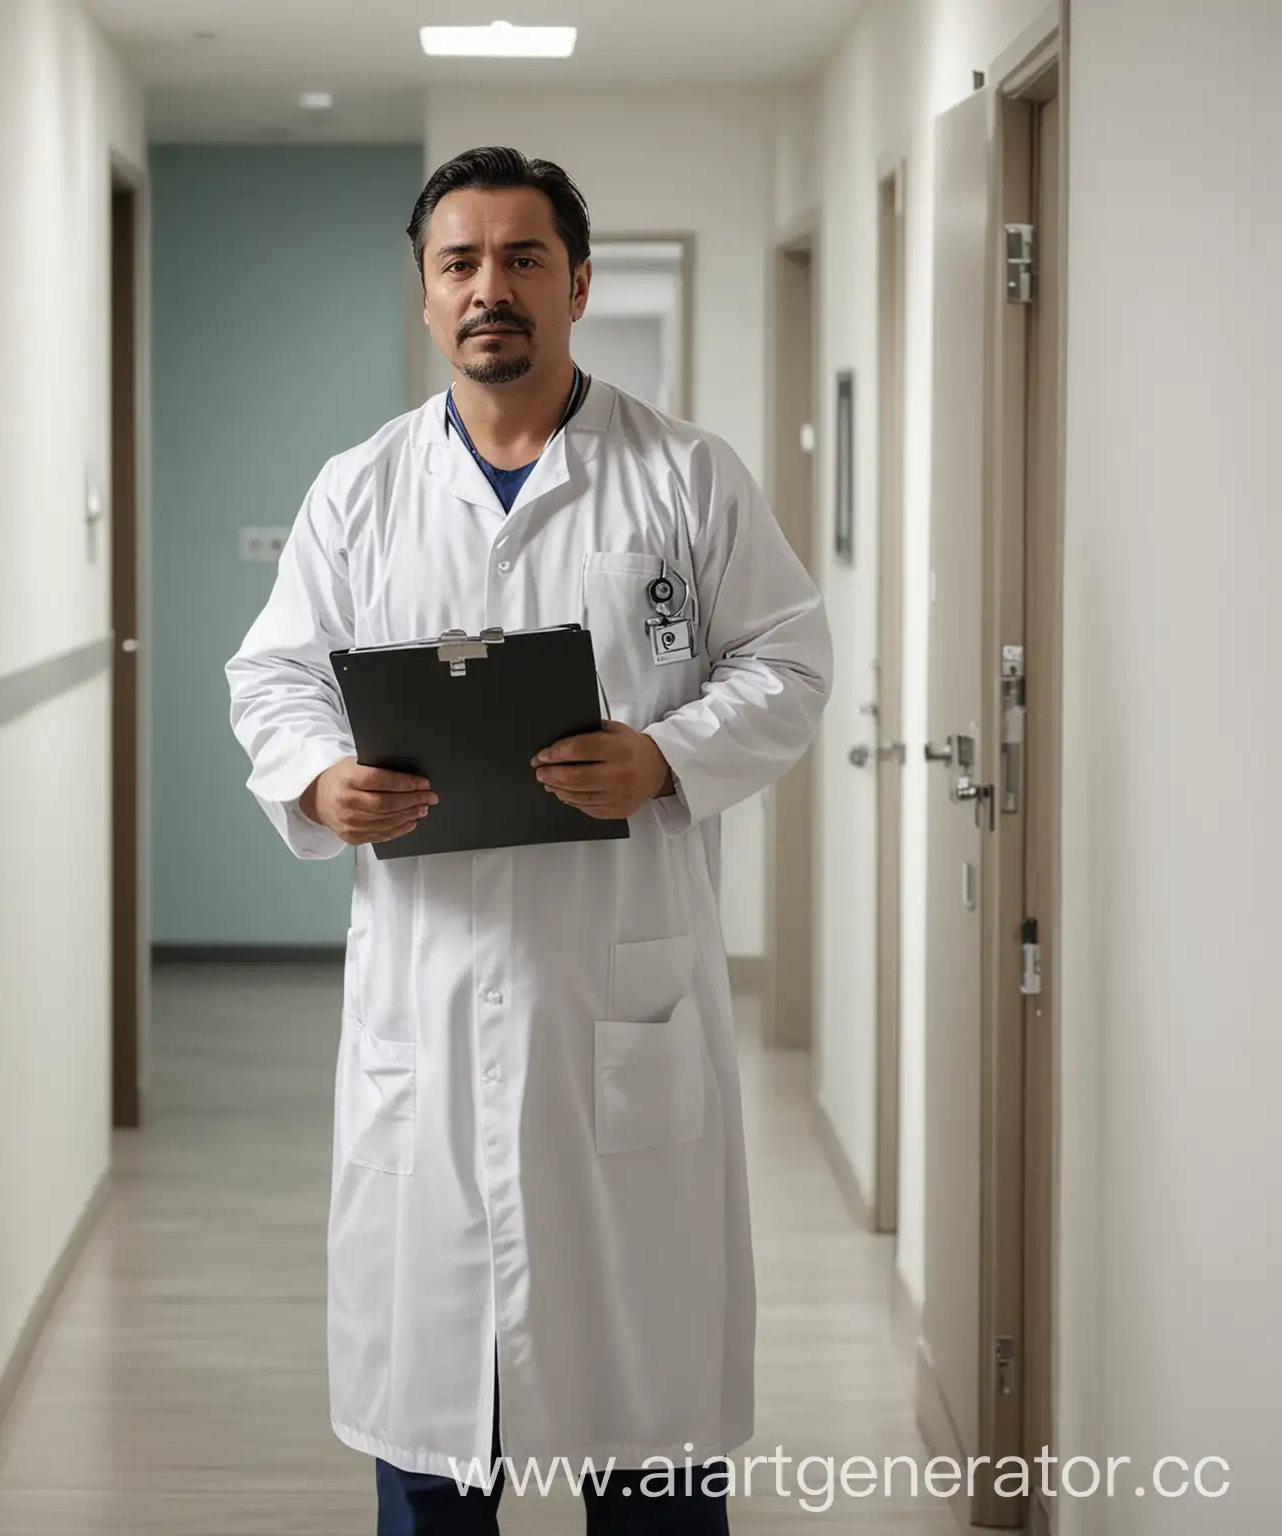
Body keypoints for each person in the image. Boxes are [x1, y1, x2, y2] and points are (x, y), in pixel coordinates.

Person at [227, 146, 832, 1535]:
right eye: (460, 263)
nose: (489, 288)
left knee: (654, 1449)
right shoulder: (360, 491)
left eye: (521, 260)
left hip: (620, 1009)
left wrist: (665, 755)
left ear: (577, 283)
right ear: (425, 294)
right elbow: (274, 676)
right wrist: (322, 781)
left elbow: (789, 665)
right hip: (428, 1015)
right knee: (441, 1452)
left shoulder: (686, 478)